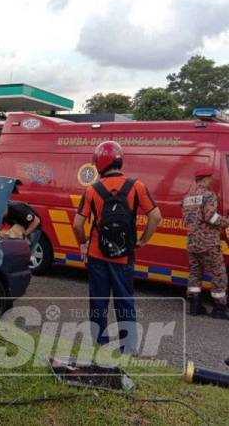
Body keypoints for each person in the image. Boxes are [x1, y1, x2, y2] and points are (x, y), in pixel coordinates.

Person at [72, 141, 161, 354]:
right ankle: (129, 349)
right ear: (119, 160)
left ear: (100, 163)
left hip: (96, 255)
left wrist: (83, 242)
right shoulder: (137, 186)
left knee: (98, 304)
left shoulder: (92, 190)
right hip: (124, 257)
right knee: (125, 302)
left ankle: (98, 345)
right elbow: (155, 217)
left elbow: (77, 224)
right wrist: (143, 240)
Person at [182, 167, 229, 320]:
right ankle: (220, 308)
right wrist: (226, 222)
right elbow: (211, 217)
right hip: (208, 242)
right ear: (204, 179)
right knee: (219, 274)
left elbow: (186, 218)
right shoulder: (209, 196)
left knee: (195, 273)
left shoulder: (187, 197)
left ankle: (195, 306)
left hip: (192, 241)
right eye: (210, 178)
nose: (212, 180)